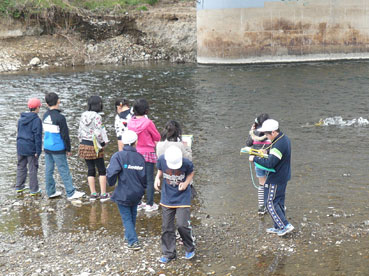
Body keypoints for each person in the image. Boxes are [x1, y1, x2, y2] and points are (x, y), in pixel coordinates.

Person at [249, 119, 294, 236]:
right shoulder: (283, 138)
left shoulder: (279, 144)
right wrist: (267, 152)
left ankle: (284, 225)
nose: (266, 136)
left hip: (277, 177)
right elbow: (275, 156)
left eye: (267, 134)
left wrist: (255, 158)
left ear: (273, 132)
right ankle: (278, 226)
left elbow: (270, 163)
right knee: (278, 202)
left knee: (269, 203)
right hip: (283, 175)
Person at [107, 130, 147, 250]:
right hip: (137, 192)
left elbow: (111, 173)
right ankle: (129, 235)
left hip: (123, 192)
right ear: (136, 142)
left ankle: (133, 241)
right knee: (132, 214)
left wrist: (111, 183)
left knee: (126, 217)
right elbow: (144, 176)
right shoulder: (140, 157)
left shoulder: (118, 156)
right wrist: (143, 190)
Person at [154, 146, 195, 263]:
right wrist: (157, 178)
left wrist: (186, 183)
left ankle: (190, 247)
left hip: (183, 196)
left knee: (182, 225)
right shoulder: (162, 159)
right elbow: (160, 170)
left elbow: (191, 173)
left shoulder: (186, 163)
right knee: (167, 226)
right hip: (167, 197)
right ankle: (169, 253)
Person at [43, 92, 85, 200]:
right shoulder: (60, 118)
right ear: (58, 101)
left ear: (46, 104)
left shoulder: (45, 115)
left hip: (47, 147)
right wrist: (68, 149)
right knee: (64, 169)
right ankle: (71, 192)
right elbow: (65, 135)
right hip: (58, 148)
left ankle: (50, 191)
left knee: (49, 170)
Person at [128, 98, 161, 212]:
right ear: (146, 111)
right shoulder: (148, 123)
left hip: (135, 153)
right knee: (149, 179)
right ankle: (149, 204)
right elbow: (157, 137)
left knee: (137, 179)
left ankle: (138, 202)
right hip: (148, 152)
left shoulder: (130, 122)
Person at [78, 96, 110, 202]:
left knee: (90, 169)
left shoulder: (83, 115)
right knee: (101, 169)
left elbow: (79, 131)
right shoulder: (97, 116)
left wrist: (81, 142)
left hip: (84, 144)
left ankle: (93, 194)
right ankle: (103, 194)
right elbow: (98, 132)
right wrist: (103, 142)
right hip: (95, 146)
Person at [15, 98, 43, 196]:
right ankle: (34, 189)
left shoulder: (21, 118)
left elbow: (19, 132)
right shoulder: (37, 120)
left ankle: (19, 186)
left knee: (21, 166)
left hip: (20, 146)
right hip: (31, 147)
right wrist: (38, 151)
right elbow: (38, 136)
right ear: (37, 108)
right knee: (33, 168)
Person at [245, 113, 271, 215]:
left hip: (257, 161)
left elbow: (248, 143)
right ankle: (272, 204)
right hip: (269, 161)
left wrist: (251, 130)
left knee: (261, 183)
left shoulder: (254, 133)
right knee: (272, 183)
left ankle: (261, 207)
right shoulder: (270, 133)